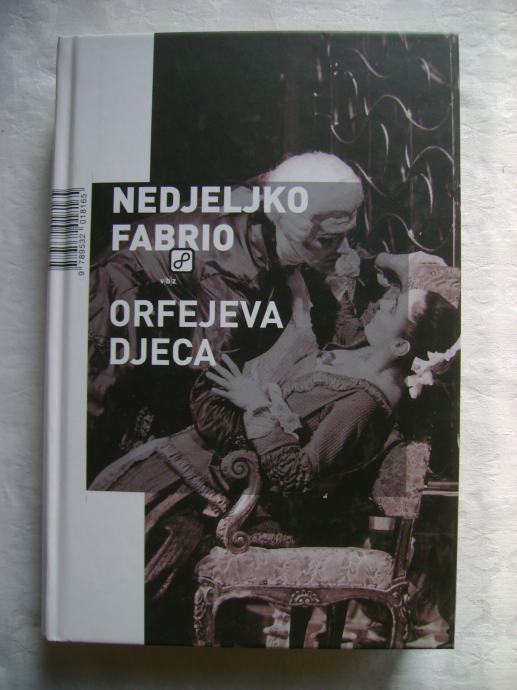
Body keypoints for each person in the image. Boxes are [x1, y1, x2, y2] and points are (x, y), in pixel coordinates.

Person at [91, 285, 459, 644]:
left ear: (400, 346)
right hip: (230, 461)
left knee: (128, 536)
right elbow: (342, 307)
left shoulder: (364, 405)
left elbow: (297, 476)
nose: (382, 303)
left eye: (394, 308)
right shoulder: (365, 356)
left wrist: (256, 404)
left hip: (257, 501)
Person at [87, 152, 364, 481]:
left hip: (173, 279)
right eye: (330, 240)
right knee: (95, 416)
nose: (345, 249)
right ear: (293, 231)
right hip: (117, 290)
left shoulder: (281, 195)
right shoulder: (236, 280)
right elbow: (209, 396)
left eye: (347, 234)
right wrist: (273, 440)